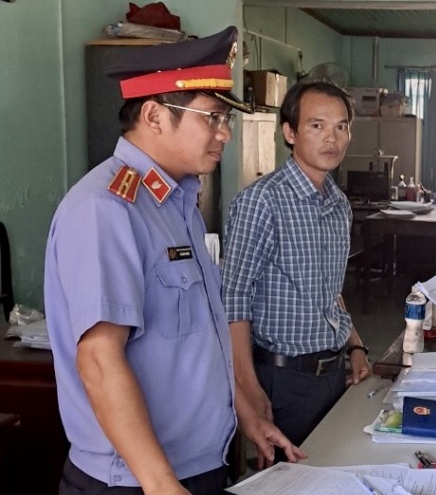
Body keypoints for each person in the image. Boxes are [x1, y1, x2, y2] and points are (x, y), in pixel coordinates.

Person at [44, 26, 303, 495]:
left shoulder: (176, 204)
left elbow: (194, 340)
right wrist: (162, 485)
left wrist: (245, 413)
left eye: (226, 118)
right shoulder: (107, 209)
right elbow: (99, 359)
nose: (225, 133)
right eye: (212, 117)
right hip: (137, 481)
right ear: (154, 115)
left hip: (193, 469)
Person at [221, 80, 372, 462]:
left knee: (330, 472)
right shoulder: (262, 201)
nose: (331, 138)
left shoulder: (339, 204)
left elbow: (330, 291)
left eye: (341, 126)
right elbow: (233, 300)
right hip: (283, 379)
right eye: (317, 125)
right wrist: (249, 388)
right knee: (288, 480)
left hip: (333, 372)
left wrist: (355, 346)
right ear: (290, 133)